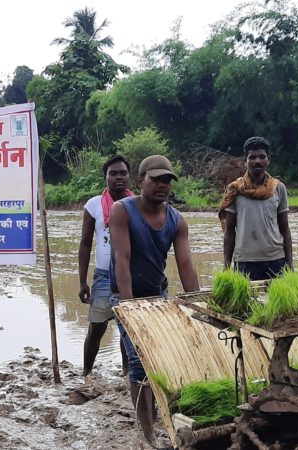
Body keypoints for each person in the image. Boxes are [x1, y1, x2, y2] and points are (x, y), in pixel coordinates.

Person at [109, 154, 199, 444]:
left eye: (167, 181)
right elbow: (121, 259)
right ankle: (147, 435)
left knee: (161, 358)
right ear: (140, 182)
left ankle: (157, 414)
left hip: (158, 293)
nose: (162, 186)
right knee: (138, 362)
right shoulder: (123, 211)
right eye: (155, 179)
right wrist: (129, 306)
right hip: (125, 294)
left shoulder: (176, 220)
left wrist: (196, 303)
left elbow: (185, 265)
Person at [78, 155, 133, 377]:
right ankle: (86, 372)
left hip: (130, 274)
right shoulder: (93, 206)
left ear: (129, 177)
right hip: (102, 276)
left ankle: (127, 374)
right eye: (113, 173)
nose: (118, 177)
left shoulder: (138, 204)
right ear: (106, 178)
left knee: (127, 330)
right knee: (96, 327)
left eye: (123, 173)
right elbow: (85, 244)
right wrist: (82, 282)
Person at [219, 136, 293, 280]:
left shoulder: (278, 188)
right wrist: (226, 267)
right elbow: (229, 232)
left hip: (276, 259)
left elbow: (285, 229)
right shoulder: (234, 190)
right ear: (245, 161)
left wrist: (290, 264)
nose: (257, 161)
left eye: (261, 156)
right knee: (245, 302)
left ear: (268, 160)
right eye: (252, 157)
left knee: (279, 302)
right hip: (245, 261)